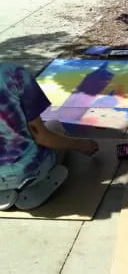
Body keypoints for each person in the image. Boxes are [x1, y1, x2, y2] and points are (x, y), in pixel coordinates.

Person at [0, 63, 98, 211]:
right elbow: (43, 137)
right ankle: (31, 183)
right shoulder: (13, 74)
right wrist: (82, 145)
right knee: (54, 126)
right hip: (28, 171)